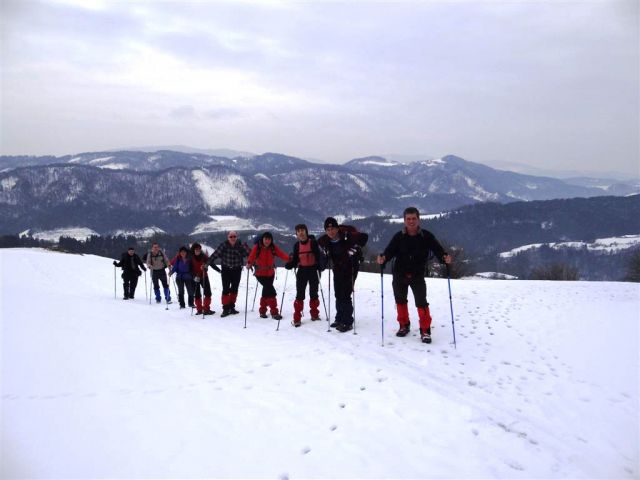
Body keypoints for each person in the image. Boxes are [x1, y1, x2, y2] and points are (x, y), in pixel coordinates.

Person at [377, 206, 452, 344]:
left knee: (421, 302)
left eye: (414, 219)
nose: (411, 221)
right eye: (408, 219)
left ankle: (425, 330)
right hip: (399, 274)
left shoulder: (427, 236)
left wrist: (444, 258)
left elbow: (438, 250)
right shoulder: (398, 237)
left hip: (417, 275)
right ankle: (403, 325)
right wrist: (383, 258)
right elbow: (388, 252)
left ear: (419, 220)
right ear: (404, 220)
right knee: (400, 301)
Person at [317, 217, 368, 333]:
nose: (331, 231)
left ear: (337, 228)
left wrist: (354, 248)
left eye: (333, 228)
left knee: (345, 293)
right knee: (338, 293)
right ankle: (339, 318)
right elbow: (322, 257)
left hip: (351, 268)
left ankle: (348, 321)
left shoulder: (346, 235)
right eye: (328, 229)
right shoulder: (325, 241)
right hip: (338, 269)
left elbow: (364, 238)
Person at [285, 224, 326, 327]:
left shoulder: (313, 243)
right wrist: (290, 265)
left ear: (306, 232)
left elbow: (318, 257)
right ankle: (297, 318)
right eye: (298, 231)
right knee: (300, 295)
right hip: (302, 271)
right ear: (296, 234)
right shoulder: (296, 245)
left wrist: (320, 266)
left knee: (314, 293)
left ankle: (314, 315)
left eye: (302, 230)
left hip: (313, 270)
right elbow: (295, 260)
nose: (301, 233)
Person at [246, 232, 290, 320]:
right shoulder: (257, 247)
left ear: (271, 240)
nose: (267, 241)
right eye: (266, 239)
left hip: (270, 274)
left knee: (266, 292)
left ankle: (262, 311)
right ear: (262, 239)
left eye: (269, 239)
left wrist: (290, 260)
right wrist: (249, 263)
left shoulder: (273, 248)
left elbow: (281, 254)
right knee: (271, 292)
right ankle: (274, 312)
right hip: (260, 274)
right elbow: (251, 256)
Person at [209, 231, 250, 317]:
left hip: (237, 270)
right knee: (226, 289)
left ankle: (232, 307)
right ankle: (225, 308)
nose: (233, 238)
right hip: (226, 270)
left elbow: (249, 254)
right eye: (231, 236)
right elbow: (215, 255)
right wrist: (206, 263)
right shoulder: (223, 245)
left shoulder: (240, 245)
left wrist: (252, 262)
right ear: (228, 237)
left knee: (234, 289)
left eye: (234, 236)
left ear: (236, 237)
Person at [190, 242, 214, 315]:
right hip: (195, 278)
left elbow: (211, 263)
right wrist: (194, 277)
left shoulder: (204, 256)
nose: (198, 250)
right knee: (197, 294)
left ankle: (206, 309)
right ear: (193, 250)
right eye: (196, 249)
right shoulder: (191, 258)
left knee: (208, 293)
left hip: (204, 276)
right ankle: (199, 309)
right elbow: (189, 269)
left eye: (199, 249)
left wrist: (219, 270)